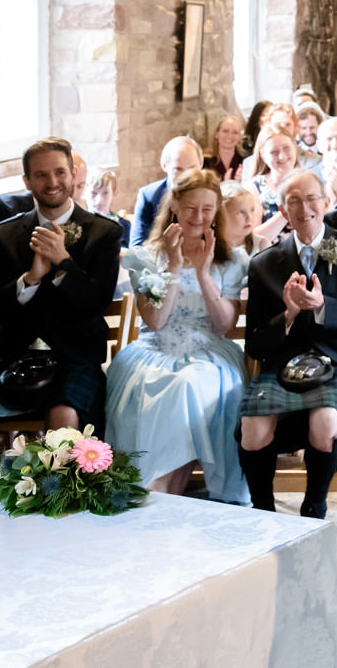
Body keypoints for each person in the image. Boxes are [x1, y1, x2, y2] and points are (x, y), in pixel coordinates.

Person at [0, 139, 124, 454]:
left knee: (63, 420)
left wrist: (64, 262)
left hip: (75, 359)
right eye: (41, 175)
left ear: (73, 174)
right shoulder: (5, 233)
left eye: (59, 172)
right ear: (27, 181)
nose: (52, 182)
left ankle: (54, 497)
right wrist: (30, 278)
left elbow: (95, 302)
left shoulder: (103, 232)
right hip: (12, 357)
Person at [239, 170, 337, 519]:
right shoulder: (264, 265)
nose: (303, 208)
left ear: (325, 203)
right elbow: (256, 344)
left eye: (310, 199)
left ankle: (314, 508)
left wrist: (324, 307)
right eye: (293, 201)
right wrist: (287, 316)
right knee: (252, 426)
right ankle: (263, 513)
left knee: (324, 419)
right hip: (284, 366)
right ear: (282, 210)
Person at [104, 168, 250, 503]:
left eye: (207, 209)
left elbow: (225, 325)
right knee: (161, 386)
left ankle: (159, 493)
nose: (198, 217)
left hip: (209, 351)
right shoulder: (145, 255)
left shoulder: (233, 259)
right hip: (154, 350)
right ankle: (159, 491)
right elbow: (154, 321)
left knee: (188, 385)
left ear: (217, 212)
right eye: (190, 208)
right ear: (175, 206)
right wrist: (172, 265)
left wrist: (203, 273)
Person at [132, 136, 204, 248]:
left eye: (191, 169)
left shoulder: (211, 196)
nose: (186, 177)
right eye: (178, 169)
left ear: (201, 164)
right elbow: (136, 250)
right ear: (165, 166)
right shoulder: (149, 196)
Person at [207, 116, 246, 181]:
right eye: (225, 131)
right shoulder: (205, 162)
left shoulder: (246, 162)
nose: (230, 136)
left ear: (240, 137)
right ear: (217, 134)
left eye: (235, 132)